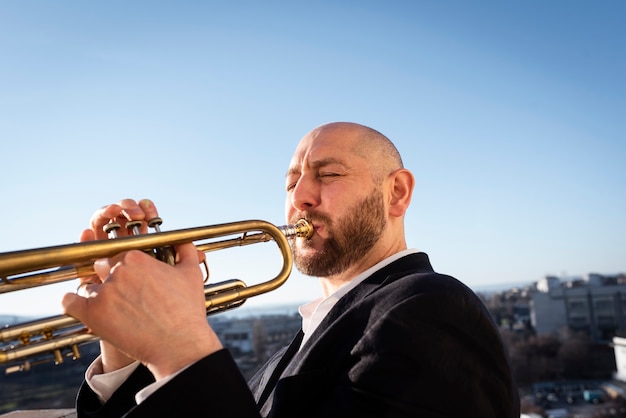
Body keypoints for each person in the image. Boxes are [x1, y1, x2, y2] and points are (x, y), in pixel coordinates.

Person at [62, 122, 520, 417]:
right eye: (290, 181)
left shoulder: (431, 307)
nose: (300, 195)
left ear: (396, 193)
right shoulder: (297, 349)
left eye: (329, 175)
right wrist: (126, 352)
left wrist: (180, 348)